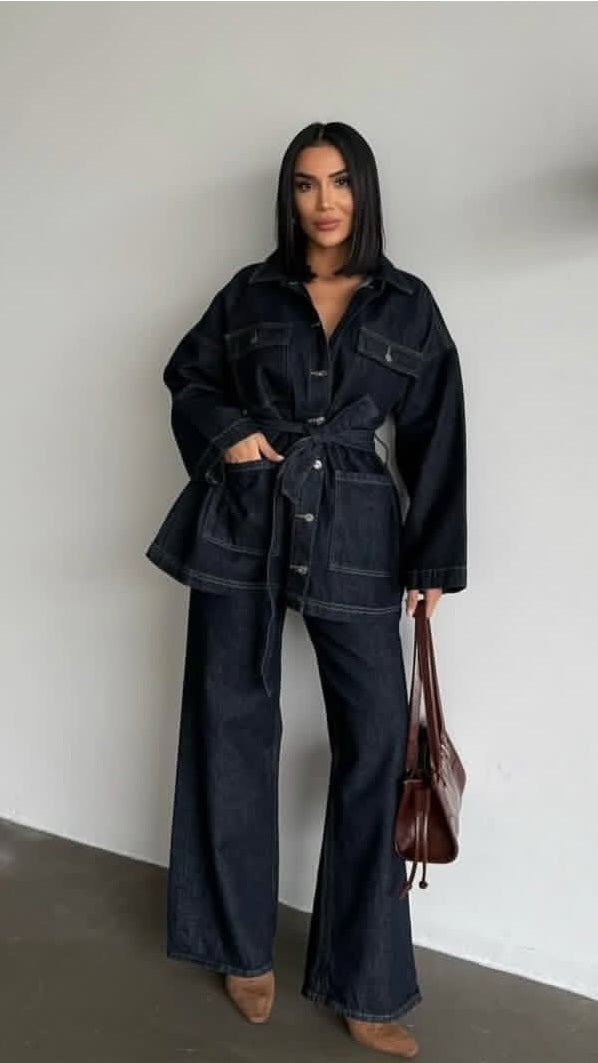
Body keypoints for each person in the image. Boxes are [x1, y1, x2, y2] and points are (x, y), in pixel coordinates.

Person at [145, 120, 467, 1056]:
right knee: (230, 728)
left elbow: (437, 429)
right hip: (245, 516)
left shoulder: (408, 305)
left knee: (377, 745)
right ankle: (239, 946)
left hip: (359, 533)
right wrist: (228, 434)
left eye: (339, 182)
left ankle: (365, 981)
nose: (324, 202)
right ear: (288, 197)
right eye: (305, 184)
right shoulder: (251, 293)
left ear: (364, 191)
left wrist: (433, 565)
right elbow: (188, 375)